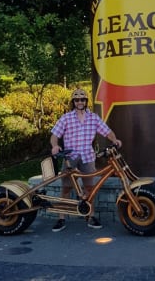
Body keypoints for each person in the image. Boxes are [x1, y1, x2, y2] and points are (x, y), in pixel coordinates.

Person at [50, 88, 122, 232]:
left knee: (90, 188)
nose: (80, 102)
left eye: (82, 100)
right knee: (66, 188)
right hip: (71, 157)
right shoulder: (66, 118)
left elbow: (107, 131)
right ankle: (61, 218)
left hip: (88, 157)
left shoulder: (93, 118)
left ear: (86, 102)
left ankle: (90, 216)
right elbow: (54, 135)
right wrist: (55, 146)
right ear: (73, 102)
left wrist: (115, 139)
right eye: (77, 100)